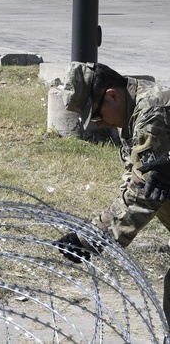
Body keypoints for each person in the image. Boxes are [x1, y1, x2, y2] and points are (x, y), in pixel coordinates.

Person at [55, 61, 170, 321]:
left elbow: (143, 195)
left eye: (96, 116)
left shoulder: (152, 113)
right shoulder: (133, 114)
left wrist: (90, 240)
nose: (101, 125)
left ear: (113, 96)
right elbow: (132, 182)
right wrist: (90, 233)